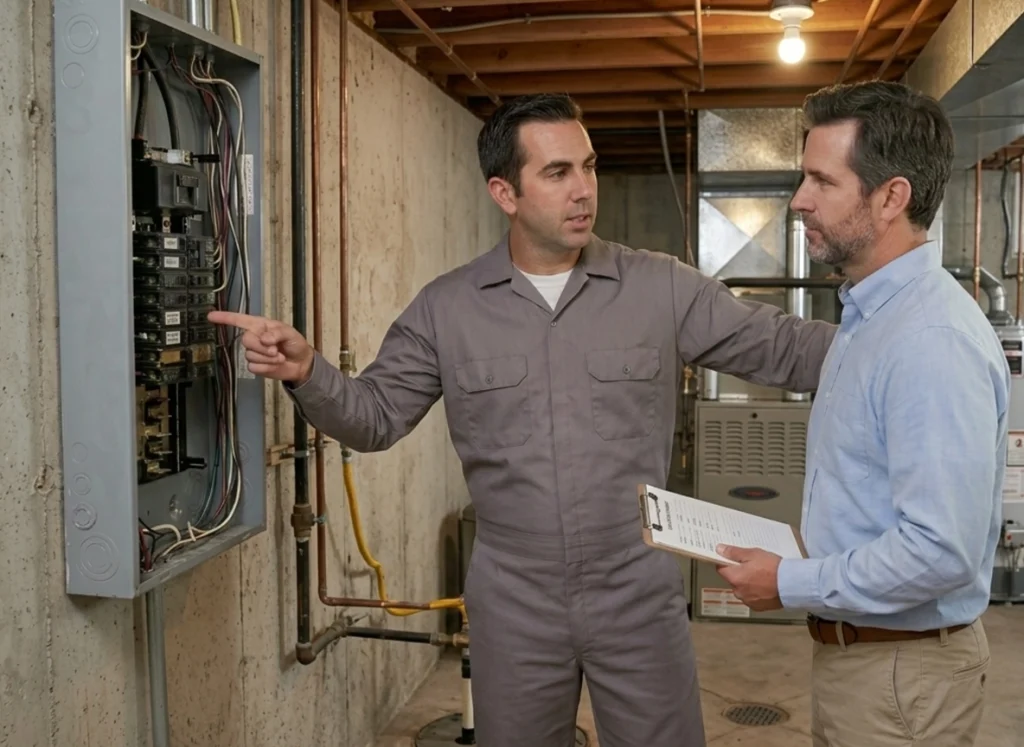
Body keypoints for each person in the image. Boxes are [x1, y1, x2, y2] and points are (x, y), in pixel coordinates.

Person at [210, 93, 837, 747]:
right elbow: (374, 417)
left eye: (588, 167)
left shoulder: (661, 287)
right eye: (557, 172)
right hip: (514, 599)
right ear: (504, 192)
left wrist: (891, 325)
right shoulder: (447, 309)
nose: (583, 190)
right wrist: (308, 370)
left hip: (637, 589)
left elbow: (785, 347)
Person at [716, 80, 1007, 747]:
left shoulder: (929, 339)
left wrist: (789, 580)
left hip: (902, 677)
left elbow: (940, 552)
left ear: (891, 197)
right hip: (867, 664)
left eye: (823, 180)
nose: (800, 199)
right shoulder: (871, 316)